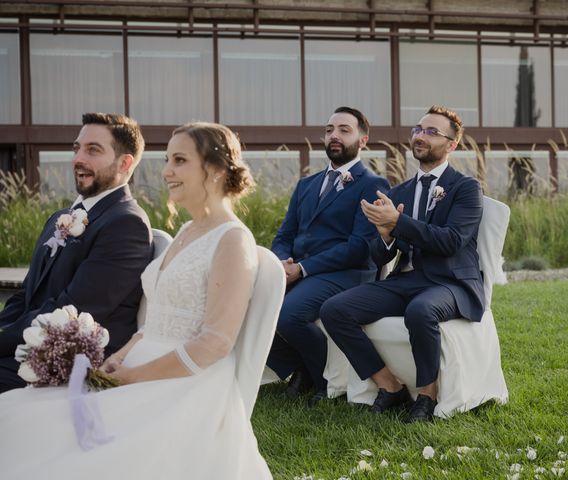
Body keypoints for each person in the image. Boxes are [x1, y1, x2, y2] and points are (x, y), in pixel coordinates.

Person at [0, 122, 276, 479]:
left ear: (216, 169)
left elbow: (215, 343)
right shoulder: (188, 232)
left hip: (184, 384)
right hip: (137, 366)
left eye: (179, 160)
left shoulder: (232, 240)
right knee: (19, 415)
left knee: (47, 443)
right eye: (167, 160)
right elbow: (154, 323)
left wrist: (134, 378)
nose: (166, 171)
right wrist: (118, 357)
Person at [321, 105, 485, 423]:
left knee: (420, 310)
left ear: (452, 144)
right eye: (417, 130)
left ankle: (427, 394)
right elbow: (380, 257)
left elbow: (451, 241)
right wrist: (385, 235)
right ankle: (389, 385)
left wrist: (398, 222)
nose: (420, 136)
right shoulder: (399, 192)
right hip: (406, 281)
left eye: (431, 131)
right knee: (334, 310)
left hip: (450, 283)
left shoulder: (465, 188)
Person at [0, 113, 153, 393]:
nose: (77, 159)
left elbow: (73, 310)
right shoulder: (61, 217)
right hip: (35, 345)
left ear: (125, 162)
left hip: (76, 362)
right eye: (76, 149)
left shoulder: (126, 224)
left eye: (92, 150)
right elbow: (26, 295)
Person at [267, 106, 390, 404]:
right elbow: (285, 235)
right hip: (300, 270)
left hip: (347, 273)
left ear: (362, 140)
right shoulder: (306, 185)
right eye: (329, 129)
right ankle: (298, 368)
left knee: (288, 315)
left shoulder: (372, 184)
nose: (334, 135)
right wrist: (281, 262)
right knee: (246, 305)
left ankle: (322, 381)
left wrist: (304, 268)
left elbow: (359, 246)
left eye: (344, 130)